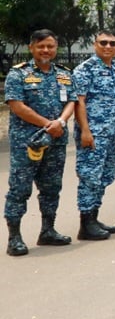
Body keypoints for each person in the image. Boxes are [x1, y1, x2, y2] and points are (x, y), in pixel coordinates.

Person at [5, 30, 76, 256]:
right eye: (41, 46)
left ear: (56, 49)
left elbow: (72, 101)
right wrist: (49, 124)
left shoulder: (64, 74)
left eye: (50, 46)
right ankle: (14, 237)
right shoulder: (18, 74)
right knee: (20, 189)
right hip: (27, 142)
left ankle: (48, 230)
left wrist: (61, 122)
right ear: (31, 48)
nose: (46, 50)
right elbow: (17, 106)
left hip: (56, 140)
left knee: (51, 188)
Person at [72, 31, 115, 238]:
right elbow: (79, 102)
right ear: (95, 45)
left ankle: (94, 217)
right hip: (93, 134)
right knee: (89, 177)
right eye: (103, 42)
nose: (108, 46)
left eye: (113, 43)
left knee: (104, 176)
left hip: (111, 133)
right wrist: (85, 130)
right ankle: (85, 224)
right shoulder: (86, 69)